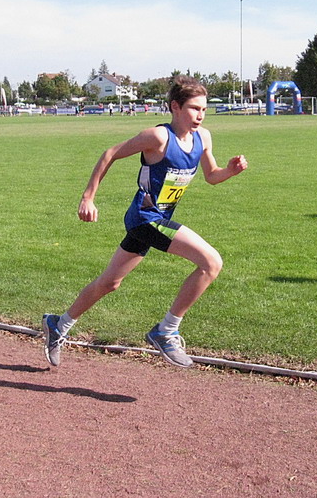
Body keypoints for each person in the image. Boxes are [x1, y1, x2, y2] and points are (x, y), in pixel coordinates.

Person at [42, 75, 248, 368]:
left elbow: (212, 176)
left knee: (109, 283)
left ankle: (58, 324)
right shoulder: (158, 137)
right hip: (145, 218)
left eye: (204, 109)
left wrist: (230, 171)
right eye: (194, 108)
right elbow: (110, 154)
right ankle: (166, 330)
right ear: (175, 107)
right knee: (211, 262)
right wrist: (88, 197)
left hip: (159, 219)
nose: (200, 115)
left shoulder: (203, 138)